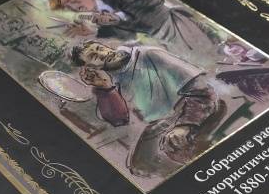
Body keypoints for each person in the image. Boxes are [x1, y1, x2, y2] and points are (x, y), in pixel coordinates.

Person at [70, 40, 224, 175]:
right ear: (91, 67)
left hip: (193, 107)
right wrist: (106, 88)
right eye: (94, 56)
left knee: (177, 147)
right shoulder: (112, 78)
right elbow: (119, 120)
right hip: (162, 123)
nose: (104, 54)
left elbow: (202, 89)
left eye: (100, 48)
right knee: (140, 166)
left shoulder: (149, 55)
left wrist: (184, 125)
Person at [49, 0, 221, 57]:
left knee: (211, 48)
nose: (73, 7)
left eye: (71, 1)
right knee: (200, 57)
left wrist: (118, 17)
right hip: (162, 38)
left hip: (174, 24)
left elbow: (154, 2)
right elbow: (128, 36)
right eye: (68, 7)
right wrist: (93, 32)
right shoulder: (99, 20)